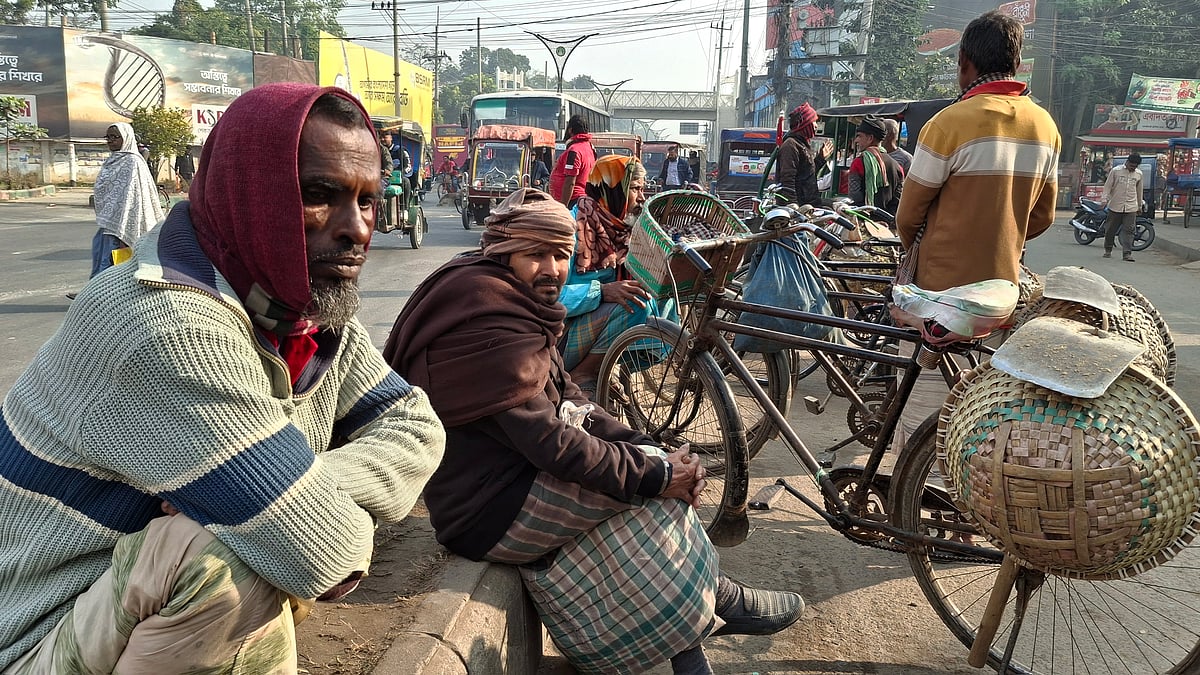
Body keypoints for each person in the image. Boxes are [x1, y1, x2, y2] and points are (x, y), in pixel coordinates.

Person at [0, 83, 445, 673]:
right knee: (227, 563)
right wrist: (280, 510)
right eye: (319, 195)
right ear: (248, 193)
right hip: (37, 639)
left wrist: (300, 491)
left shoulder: (300, 310)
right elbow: (328, 553)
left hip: (127, 611)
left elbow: (418, 427)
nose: (358, 229)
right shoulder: (169, 327)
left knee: (246, 532)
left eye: (368, 200)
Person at [382, 188, 805, 675]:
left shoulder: (507, 299)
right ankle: (718, 609)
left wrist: (642, 445)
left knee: (650, 476)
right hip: (484, 508)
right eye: (535, 254)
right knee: (655, 495)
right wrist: (657, 473)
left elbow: (570, 399)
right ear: (503, 253)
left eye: (561, 255)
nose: (552, 269)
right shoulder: (489, 321)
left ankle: (710, 614)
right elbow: (552, 443)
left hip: (508, 480)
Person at [892, 10, 1060, 451]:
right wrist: (1002, 238)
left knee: (923, 415)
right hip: (1000, 291)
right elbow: (1042, 217)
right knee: (978, 411)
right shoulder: (1045, 127)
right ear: (1017, 63)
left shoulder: (949, 123)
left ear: (964, 62)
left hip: (939, 295)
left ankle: (911, 485)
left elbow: (908, 217)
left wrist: (924, 254)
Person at [560, 154, 675, 394]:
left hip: (592, 329)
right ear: (611, 190)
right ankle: (585, 372)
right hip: (558, 336)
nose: (641, 197)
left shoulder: (621, 230)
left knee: (664, 297)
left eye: (642, 189)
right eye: (634, 189)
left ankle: (606, 367)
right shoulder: (570, 229)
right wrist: (601, 292)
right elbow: (547, 297)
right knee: (634, 302)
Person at [90, 122, 165, 279]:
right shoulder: (111, 161)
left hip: (124, 225)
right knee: (101, 260)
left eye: (115, 137)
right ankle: (97, 288)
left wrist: (125, 227)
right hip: (109, 224)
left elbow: (133, 197)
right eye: (108, 137)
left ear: (126, 138)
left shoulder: (133, 161)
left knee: (113, 266)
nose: (110, 140)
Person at [775, 102, 831, 208]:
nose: (816, 126)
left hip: (810, 203)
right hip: (799, 206)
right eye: (814, 122)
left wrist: (820, 158)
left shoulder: (803, 145)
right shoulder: (790, 145)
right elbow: (787, 180)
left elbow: (806, 175)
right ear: (805, 123)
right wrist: (793, 207)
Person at [847, 116, 903, 213]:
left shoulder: (858, 163)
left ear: (870, 138)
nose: (856, 140)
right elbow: (898, 199)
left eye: (859, 136)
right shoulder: (897, 166)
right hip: (888, 220)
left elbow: (854, 198)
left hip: (864, 219)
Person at [1101, 152, 1143, 262]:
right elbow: (1107, 186)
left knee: (1129, 230)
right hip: (1115, 205)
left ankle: (1127, 254)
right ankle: (1108, 249)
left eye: (1135, 166)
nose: (1133, 168)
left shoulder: (1139, 174)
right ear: (1127, 162)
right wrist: (1104, 199)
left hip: (1131, 207)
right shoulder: (1116, 171)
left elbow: (1139, 191)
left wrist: (1139, 206)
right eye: (1131, 165)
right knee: (1110, 229)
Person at [548, 114, 596, 207]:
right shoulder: (589, 147)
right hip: (581, 199)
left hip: (572, 201)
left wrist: (564, 207)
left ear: (570, 130)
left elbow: (570, 182)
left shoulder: (574, 151)